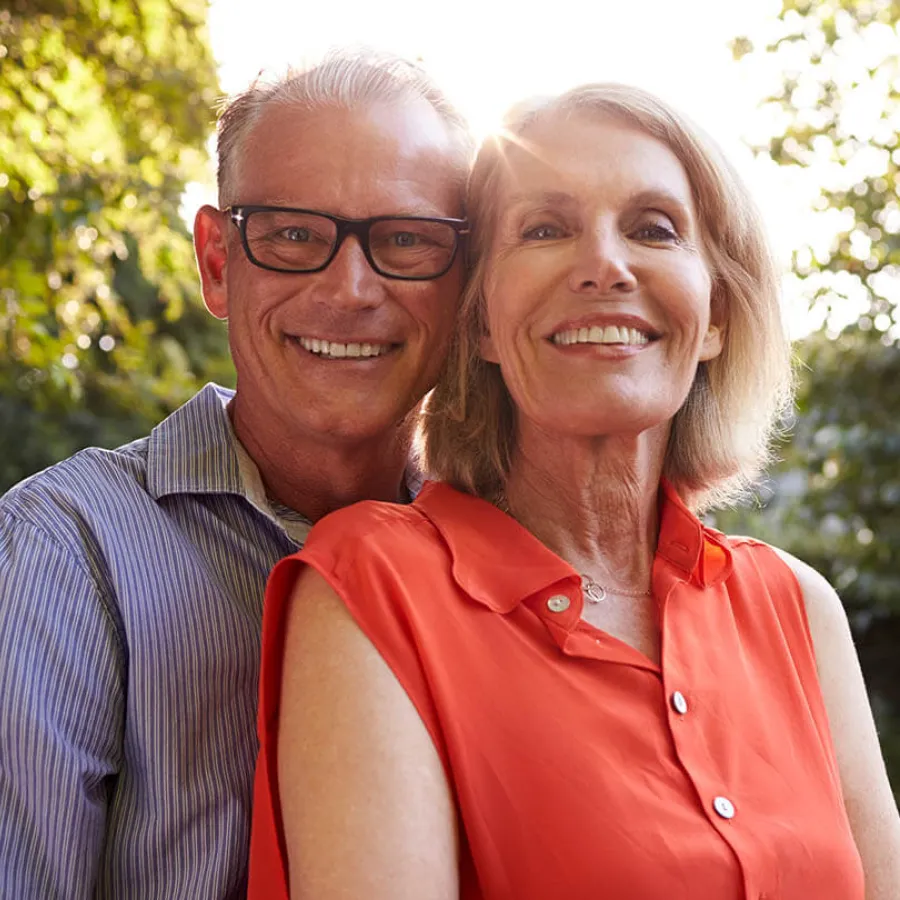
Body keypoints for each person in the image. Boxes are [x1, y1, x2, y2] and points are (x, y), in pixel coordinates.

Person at [248, 83, 900, 899]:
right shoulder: (374, 587)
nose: (604, 266)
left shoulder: (798, 607)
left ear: (718, 314)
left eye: (653, 229)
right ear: (480, 320)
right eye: (546, 229)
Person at [0, 50, 472, 898]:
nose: (351, 288)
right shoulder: (62, 554)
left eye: (406, 239)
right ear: (219, 261)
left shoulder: (499, 557)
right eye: (294, 235)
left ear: (465, 280)